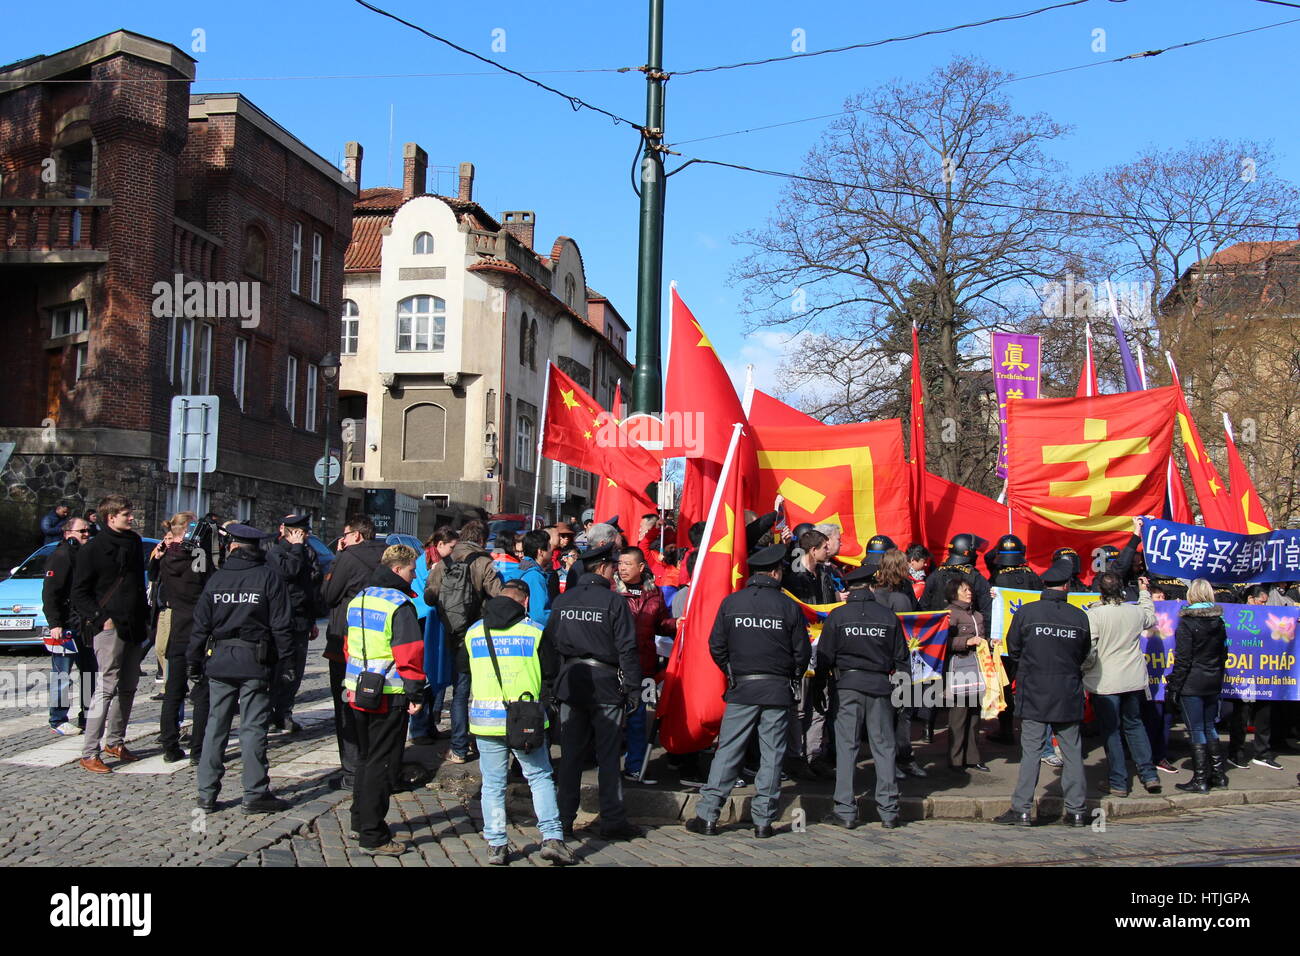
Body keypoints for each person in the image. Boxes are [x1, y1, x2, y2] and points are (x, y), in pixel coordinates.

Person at [686, 544, 809, 838]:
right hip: (777, 689)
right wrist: (790, 677)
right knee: (772, 755)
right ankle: (763, 821)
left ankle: (707, 815)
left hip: (742, 687)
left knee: (728, 751)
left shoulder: (732, 603)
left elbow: (716, 645)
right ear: (777, 572)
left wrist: (732, 672)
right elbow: (802, 653)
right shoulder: (788, 606)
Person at [465, 579, 575, 866]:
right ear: (525, 602)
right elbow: (552, 673)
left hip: (485, 719)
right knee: (539, 777)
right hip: (525, 719)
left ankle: (496, 845)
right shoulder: (535, 632)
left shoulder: (474, 632)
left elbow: (461, 671)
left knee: (492, 784)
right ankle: (552, 838)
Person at [188, 523, 295, 814]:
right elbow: (282, 625)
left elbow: (200, 626)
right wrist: (286, 662)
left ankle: (206, 793)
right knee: (252, 728)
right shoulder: (268, 578)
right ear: (257, 548)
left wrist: (193, 662)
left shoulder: (217, 579)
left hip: (220, 659)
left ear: (232, 547)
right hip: (255, 661)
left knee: (216, 727)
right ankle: (255, 792)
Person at [546, 544, 642, 840]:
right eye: (613, 566)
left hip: (571, 683)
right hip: (605, 685)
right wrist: (633, 689)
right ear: (602, 568)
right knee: (609, 756)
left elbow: (549, 645)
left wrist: (552, 685)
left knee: (571, 756)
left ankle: (563, 820)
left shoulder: (563, 601)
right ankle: (612, 820)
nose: (615, 570)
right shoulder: (615, 603)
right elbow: (627, 649)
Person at [994, 557, 1091, 827]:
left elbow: (1013, 649)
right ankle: (1077, 811)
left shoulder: (1027, 612)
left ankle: (1022, 809)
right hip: (1067, 691)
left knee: (1031, 752)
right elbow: (1084, 653)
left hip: (1035, 689)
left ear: (1044, 586)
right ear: (1067, 586)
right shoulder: (1079, 616)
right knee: (1072, 752)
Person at [342, 544, 426, 855]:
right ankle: (373, 834)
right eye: (410, 570)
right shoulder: (399, 604)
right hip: (389, 693)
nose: (414, 575)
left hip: (357, 687)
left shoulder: (360, 598)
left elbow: (348, 646)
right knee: (382, 762)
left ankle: (358, 820)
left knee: (364, 759)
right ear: (396, 569)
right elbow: (410, 654)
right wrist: (416, 692)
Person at [814, 562, 908, 829]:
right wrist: (903, 693)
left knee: (847, 747)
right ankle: (889, 811)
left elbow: (824, 658)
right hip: (879, 685)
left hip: (847, 686)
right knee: (884, 747)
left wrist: (820, 690)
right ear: (870, 586)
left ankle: (845, 810)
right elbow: (902, 659)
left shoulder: (838, 617)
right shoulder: (887, 616)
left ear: (849, 588)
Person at [72, 495, 149, 774]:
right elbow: (79, 593)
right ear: (111, 517)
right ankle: (89, 751)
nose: (131, 518)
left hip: (134, 625)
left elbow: (138, 585)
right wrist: (100, 618)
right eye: (126, 514)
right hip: (109, 625)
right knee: (105, 689)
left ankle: (115, 741)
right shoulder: (92, 549)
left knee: (128, 686)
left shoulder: (135, 541)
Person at [425, 518, 504, 764]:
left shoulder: (443, 562)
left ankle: (458, 748)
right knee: (479, 689)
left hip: (451, 633)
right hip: (478, 633)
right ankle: (484, 740)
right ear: (482, 539)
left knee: (458, 691)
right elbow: (500, 597)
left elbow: (429, 596)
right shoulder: (484, 562)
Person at [321, 516, 388, 789]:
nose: (343, 539)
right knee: (377, 706)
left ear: (357, 535)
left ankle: (352, 771)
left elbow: (327, 594)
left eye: (346, 534)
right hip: (380, 641)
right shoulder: (386, 554)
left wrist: (337, 558)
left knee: (347, 706)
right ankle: (377, 766)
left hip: (346, 640)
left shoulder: (347, 558)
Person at [1083, 571, 1161, 796]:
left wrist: (1084, 669)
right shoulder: (1134, 611)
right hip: (1133, 679)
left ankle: (1118, 781)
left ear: (1101, 591)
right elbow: (1150, 616)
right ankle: (1149, 774)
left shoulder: (1094, 615)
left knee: (1111, 731)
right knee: (1135, 726)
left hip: (1106, 681)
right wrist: (1145, 592)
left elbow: (1090, 650)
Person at [154, 512, 212, 764]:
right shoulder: (197, 556)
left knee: (173, 691)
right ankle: (198, 750)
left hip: (176, 627)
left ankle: (169, 745)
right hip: (198, 629)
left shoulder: (165, 557)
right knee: (202, 692)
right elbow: (206, 583)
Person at [616, 546, 675, 781]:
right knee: (610, 719)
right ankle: (607, 766)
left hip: (644, 664)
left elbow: (661, 624)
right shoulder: (612, 592)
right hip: (615, 665)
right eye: (620, 564)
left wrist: (676, 624)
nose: (622, 568)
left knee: (638, 717)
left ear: (641, 567)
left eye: (627, 564)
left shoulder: (654, 593)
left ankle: (635, 766)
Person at [1168, 579, 1229, 794]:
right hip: (1212, 680)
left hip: (1192, 682)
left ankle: (1201, 779)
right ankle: (1219, 775)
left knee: (1196, 729)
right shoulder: (1219, 621)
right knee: (1209, 726)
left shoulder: (1186, 622)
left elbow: (1183, 659)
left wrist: (1174, 686)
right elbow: (1224, 654)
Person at [265, 514, 324, 735]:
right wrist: (297, 548)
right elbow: (288, 572)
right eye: (302, 532)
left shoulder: (308, 551)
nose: (306, 536)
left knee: (295, 670)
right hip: (278, 620)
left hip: (300, 618)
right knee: (276, 669)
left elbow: (311, 587)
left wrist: (312, 620)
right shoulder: (274, 549)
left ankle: (284, 712)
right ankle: (270, 714)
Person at [42, 516, 95, 736]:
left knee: (89, 673)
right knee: (62, 674)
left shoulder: (83, 556)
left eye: (87, 531)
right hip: (65, 626)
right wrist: (55, 623)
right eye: (81, 531)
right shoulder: (61, 556)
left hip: (84, 625)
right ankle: (57, 718)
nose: (85, 534)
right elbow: (50, 593)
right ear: (67, 533)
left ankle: (87, 716)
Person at [1226, 585, 1283, 772]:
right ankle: (1236, 752)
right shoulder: (1237, 615)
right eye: (1261, 602)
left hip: (1264, 673)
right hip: (1242, 674)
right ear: (1250, 599)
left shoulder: (1268, 617)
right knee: (1241, 714)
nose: (1264, 605)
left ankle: (1263, 753)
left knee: (1264, 713)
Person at [944, 578, 988, 774]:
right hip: (959, 667)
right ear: (954, 593)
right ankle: (955, 759)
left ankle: (972, 757)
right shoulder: (950, 614)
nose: (969, 593)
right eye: (964, 590)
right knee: (959, 715)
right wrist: (967, 641)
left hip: (978, 667)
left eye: (969, 589)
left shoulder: (977, 614)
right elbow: (945, 641)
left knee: (975, 714)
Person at [921, 534, 992, 621]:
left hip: (938, 631)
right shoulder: (976, 578)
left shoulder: (935, 574)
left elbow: (923, 607)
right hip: (967, 632)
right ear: (968, 552)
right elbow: (987, 611)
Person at [517, 529, 557, 626]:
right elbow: (539, 616)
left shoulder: (521, 568)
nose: (551, 550)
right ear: (540, 552)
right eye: (548, 547)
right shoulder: (534, 576)